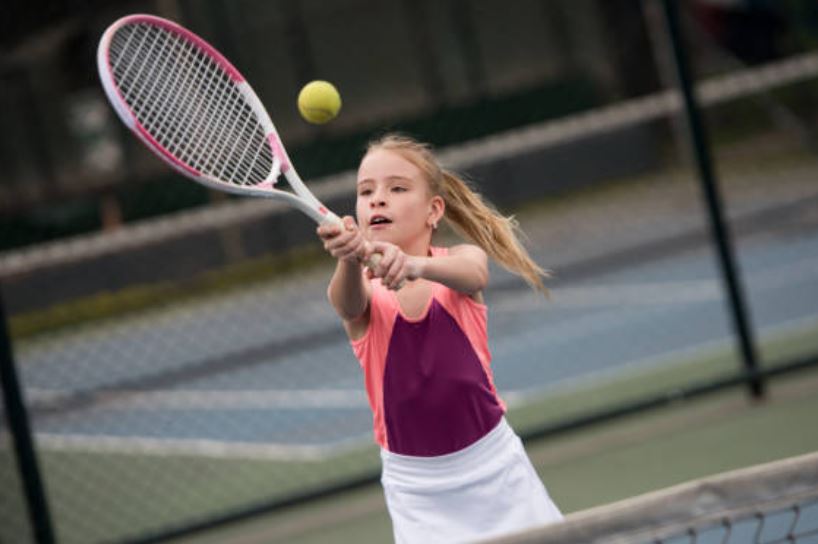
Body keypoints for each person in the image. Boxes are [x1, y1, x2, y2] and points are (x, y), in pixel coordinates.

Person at [316, 134, 563, 543]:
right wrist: (347, 257)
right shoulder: (361, 292)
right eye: (366, 191)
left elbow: (476, 273)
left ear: (434, 211)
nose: (378, 199)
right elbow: (344, 304)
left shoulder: (459, 265)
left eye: (397, 188)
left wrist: (414, 266)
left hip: (496, 469)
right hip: (418, 491)